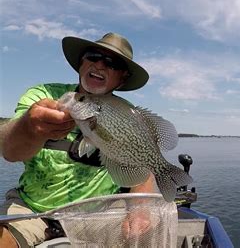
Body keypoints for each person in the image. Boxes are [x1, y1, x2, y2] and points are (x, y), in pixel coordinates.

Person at [0, 33, 156, 247]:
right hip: (33, 210)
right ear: (81, 63)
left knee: (146, 236)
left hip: (99, 216)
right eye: (93, 56)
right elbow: (9, 151)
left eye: (112, 62)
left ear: (122, 78)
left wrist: (140, 210)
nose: (100, 64)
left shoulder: (127, 115)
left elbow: (142, 171)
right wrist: (28, 126)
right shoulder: (43, 95)